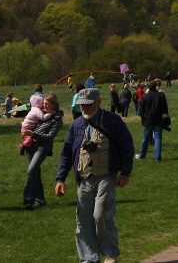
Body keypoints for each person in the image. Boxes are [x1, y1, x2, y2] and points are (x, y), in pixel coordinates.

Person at [55, 88, 134, 263]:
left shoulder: (113, 121)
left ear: (98, 102)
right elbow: (67, 153)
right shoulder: (76, 125)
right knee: (83, 221)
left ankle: (110, 254)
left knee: (100, 215)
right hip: (83, 179)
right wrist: (60, 178)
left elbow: (127, 146)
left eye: (88, 104)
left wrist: (125, 172)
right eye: (82, 105)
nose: (85, 108)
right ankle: (89, 258)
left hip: (106, 177)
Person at [23, 93, 63, 209]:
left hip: (42, 147)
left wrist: (33, 133)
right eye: (44, 103)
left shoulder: (57, 119)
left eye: (47, 104)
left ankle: (28, 199)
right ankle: (40, 200)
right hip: (31, 146)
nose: (44, 105)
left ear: (54, 105)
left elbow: (50, 136)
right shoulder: (41, 113)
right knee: (35, 173)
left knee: (31, 170)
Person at [136, 80, 170, 161]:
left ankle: (142, 155)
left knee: (145, 138)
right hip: (159, 119)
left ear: (148, 87)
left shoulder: (145, 96)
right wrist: (165, 119)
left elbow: (141, 112)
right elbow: (165, 109)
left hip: (148, 120)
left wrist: (143, 120)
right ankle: (157, 157)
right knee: (158, 138)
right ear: (156, 87)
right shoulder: (161, 95)